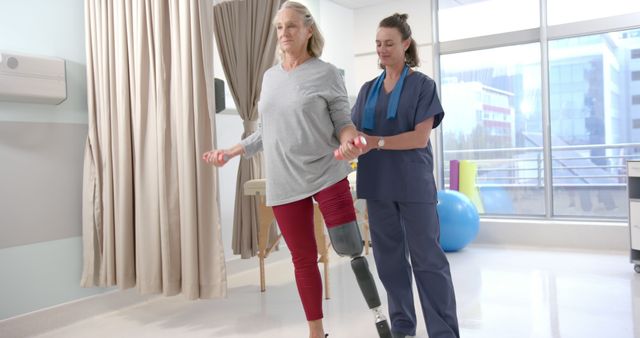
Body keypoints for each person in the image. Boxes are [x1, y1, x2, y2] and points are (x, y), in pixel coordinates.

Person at [203, 2, 391, 338]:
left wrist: (349, 142)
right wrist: (232, 151)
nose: (283, 33)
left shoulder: (326, 72)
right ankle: (316, 332)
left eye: (291, 26)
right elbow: (267, 130)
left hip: (326, 172)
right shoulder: (270, 77)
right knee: (303, 260)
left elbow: (343, 124)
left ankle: (380, 321)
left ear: (308, 30)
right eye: (279, 27)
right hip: (285, 179)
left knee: (351, 248)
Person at [351, 13, 460, 338]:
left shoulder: (422, 85)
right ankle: (402, 328)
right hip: (377, 186)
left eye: (389, 43)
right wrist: (350, 146)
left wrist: (376, 143)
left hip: (413, 186)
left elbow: (419, 138)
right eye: (378, 44)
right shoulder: (368, 89)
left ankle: (443, 333)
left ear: (406, 44)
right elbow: (357, 135)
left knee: (428, 261)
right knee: (390, 263)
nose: (382, 50)